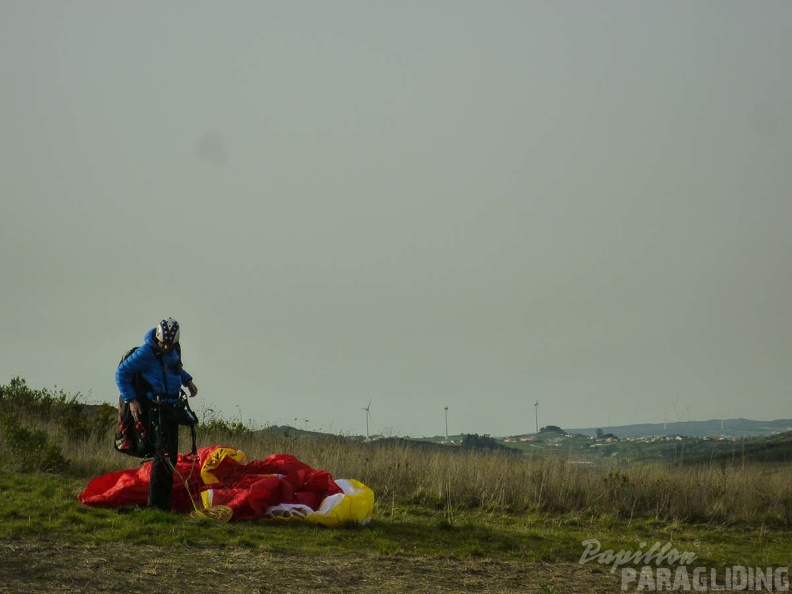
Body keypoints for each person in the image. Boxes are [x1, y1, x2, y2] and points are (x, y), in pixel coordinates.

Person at [115, 318, 198, 510]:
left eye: (170, 344)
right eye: (164, 343)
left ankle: (163, 503)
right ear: (158, 338)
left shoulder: (174, 350)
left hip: (172, 407)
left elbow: (175, 368)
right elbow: (121, 373)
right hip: (155, 409)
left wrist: (188, 381)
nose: (167, 347)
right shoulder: (146, 353)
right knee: (163, 455)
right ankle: (155, 506)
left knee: (172, 457)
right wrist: (132, 399)